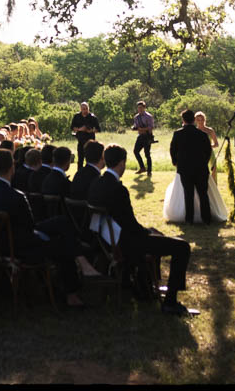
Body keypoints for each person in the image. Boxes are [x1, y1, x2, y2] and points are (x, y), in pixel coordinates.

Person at [0, 148, 94, 306]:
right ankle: (71, 293)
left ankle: (81, 261)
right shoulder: (16, 196)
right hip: (19, 247)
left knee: (61, 222)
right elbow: (30, 228)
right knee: (63, 244)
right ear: (12, 168)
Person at [88, 145, 198, 316]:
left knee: (158, 239)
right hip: (126, 243)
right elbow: (130, 226)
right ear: (122, 163)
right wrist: (149, 232)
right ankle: (170, 301)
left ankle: (145, 288)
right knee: (182, 247)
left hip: (105, 240)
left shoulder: (96, 183)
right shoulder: (119, 189)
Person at [165, 110, 215, 225]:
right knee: (203, 193)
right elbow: (208, 150)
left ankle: (189, 219)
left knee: (188, 194)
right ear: (193, 120)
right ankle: (206, 219)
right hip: (201, 168)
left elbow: (173, 149)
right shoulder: (202, 134)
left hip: (184, 168)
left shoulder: (178, 134)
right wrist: (204, 162)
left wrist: (175, 162)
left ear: (183, 120)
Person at [70, 102, 100, 170]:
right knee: (80, 160)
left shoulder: (93, 117)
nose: (85, 110)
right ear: (80, 109)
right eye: (83, 109)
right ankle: (79, 176)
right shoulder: (77, 116)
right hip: (80, 141)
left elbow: (98, 129)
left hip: (90, 143)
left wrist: (91, 130)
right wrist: (80, 129)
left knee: (90, 161)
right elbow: (72, 127)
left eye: (86, 109)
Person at [131, 102, 156, 174]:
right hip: (140, 136)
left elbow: (151, 127)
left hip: (147, 137)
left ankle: (149, 171)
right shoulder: (136, 117)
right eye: (138, 108)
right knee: (136, 151)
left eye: (141, 107)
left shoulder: (149, 116)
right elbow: (135, 126)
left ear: (144, 108)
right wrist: (133, 128)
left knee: (147, 154)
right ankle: (142, 168)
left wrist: (142, 129)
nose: (140, 109)